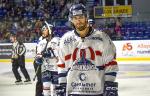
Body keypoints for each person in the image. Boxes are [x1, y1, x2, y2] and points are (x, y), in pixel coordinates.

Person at [57, 4, 119, 96]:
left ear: (86, 17)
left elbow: (111, 64)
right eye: (75, 17)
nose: (78, 20)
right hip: (73, 92)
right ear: (71, 20)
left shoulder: (102, 38)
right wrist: (62, 84)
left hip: (97, 92)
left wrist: (109, 84)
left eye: (81, 17)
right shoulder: (65, 40)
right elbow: (62, 65)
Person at [35, 21, 60, 96]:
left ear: (50, 30)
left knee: (56, 91)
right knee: (46, 91)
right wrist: (38, 58)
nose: (43, 31)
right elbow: (38, 53)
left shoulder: (57, 40)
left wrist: (51, 53)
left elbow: (59, 54)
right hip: (45, 68)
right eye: (42, 30)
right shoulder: (41, 42)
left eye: (45, 29)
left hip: (55, 68)